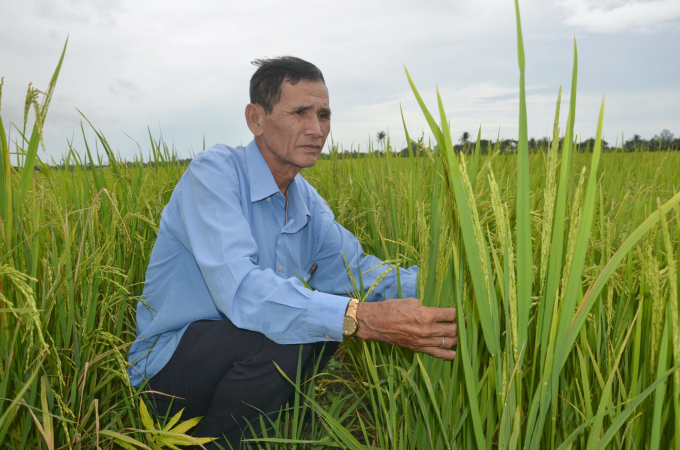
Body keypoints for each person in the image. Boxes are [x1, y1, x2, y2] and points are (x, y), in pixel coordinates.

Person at [127, 56, 459, 449]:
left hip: (240, 364)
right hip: (169, 374)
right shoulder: (213, 175)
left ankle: (258, 430)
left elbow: (358, 273)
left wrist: (457, 283)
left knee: (327, 311)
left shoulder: (306, 202)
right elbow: (242, 291)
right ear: (256, 119)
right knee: (306, 325)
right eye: (300, 112)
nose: (316, 129)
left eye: (324, 115)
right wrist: (361, 317)